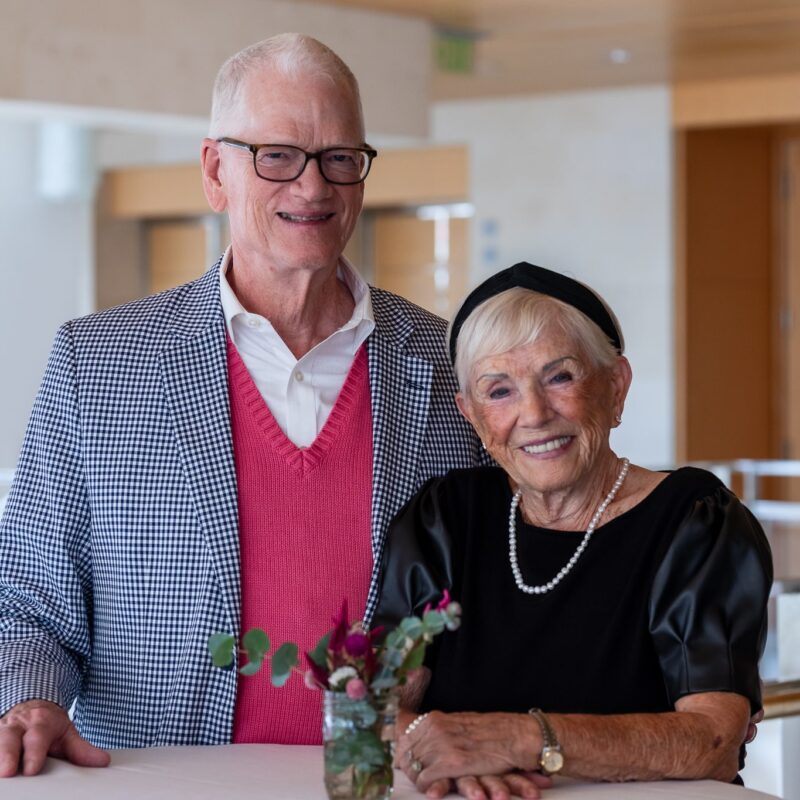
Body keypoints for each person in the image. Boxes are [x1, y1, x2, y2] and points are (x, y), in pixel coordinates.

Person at [0, 34, 486, 777]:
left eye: (339, 157)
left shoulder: (451, 362)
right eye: (277, 155)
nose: (313, 187)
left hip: (393, 782)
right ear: (214, 171)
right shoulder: (96, 364)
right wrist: (30, 701)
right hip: (162, 781)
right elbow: (28, 603)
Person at [374, 262, 773, 799]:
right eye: (499, 391)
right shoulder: (445, 517)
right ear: (470, 415)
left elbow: (714, 741)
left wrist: (520, 741)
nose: (534, 413)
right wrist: (448, 753)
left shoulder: (696, 521)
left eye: (559, 377)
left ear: (615, 386)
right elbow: (375, 704)